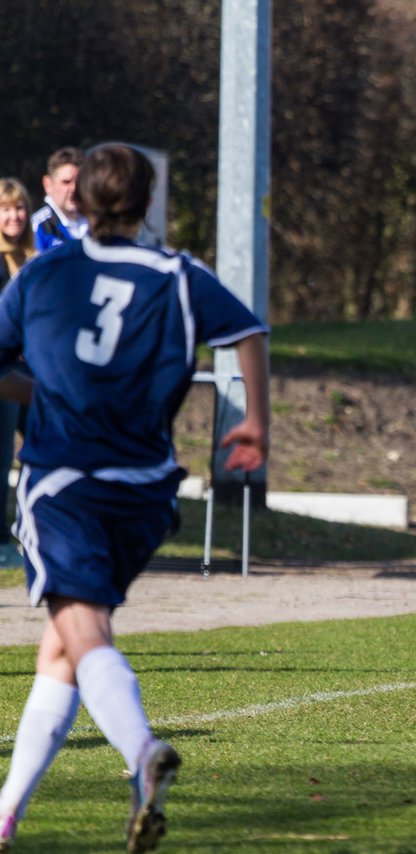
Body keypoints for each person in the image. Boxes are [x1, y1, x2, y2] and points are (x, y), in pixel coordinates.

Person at [0, 144, 270, 853]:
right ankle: (6, 812)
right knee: (61, 648)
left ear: (79, 203)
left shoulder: (45, 273)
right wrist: (255, 423)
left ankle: (141, 750)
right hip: (148, 491)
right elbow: (248, 333)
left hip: (63, 483)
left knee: (83, 629)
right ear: (148, 203)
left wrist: (46, 394)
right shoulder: (180, 275)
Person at [0, 178, 36, 559]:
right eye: (6, 208)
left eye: (19, 207)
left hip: (30, 371)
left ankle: (28, 527)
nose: (14, 216)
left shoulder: (31, 257)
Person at [31, 147, 89, 253]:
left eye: (79, 182)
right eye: (66, 182)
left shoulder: (97, 221)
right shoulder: (38, 227)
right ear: (48, 184)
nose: (74, 189)